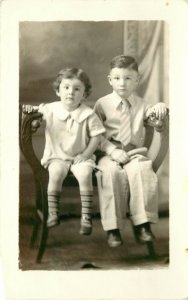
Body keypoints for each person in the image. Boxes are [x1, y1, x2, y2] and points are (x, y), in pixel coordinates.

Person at [94, 55, 167, 247]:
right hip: (109, 154)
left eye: (128, 78)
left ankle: (142, 224)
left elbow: (154, 114)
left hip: (134, 153)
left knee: (142, 170)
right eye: (117, 78)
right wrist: (111, 150)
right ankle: (113, 228)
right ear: (110, 79)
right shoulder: (102, 104)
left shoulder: (142, 105)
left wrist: (160, 106)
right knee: (110, 173)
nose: (122, 83)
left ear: (137, 80)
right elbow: (95, 135)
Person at [23, 67, 106, 235]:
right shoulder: (50, 109)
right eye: (66, 87)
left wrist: (85, 155)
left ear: (84, 94)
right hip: (57, 157)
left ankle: (86, 217)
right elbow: (33, 113)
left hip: (80, 157)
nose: (71, 93)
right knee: (55, 173)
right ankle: (53, 213)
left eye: (77, 89)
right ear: (58, 91)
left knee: (84, 174)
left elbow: (97, 137)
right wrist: (32, 118)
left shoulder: (88, 114)